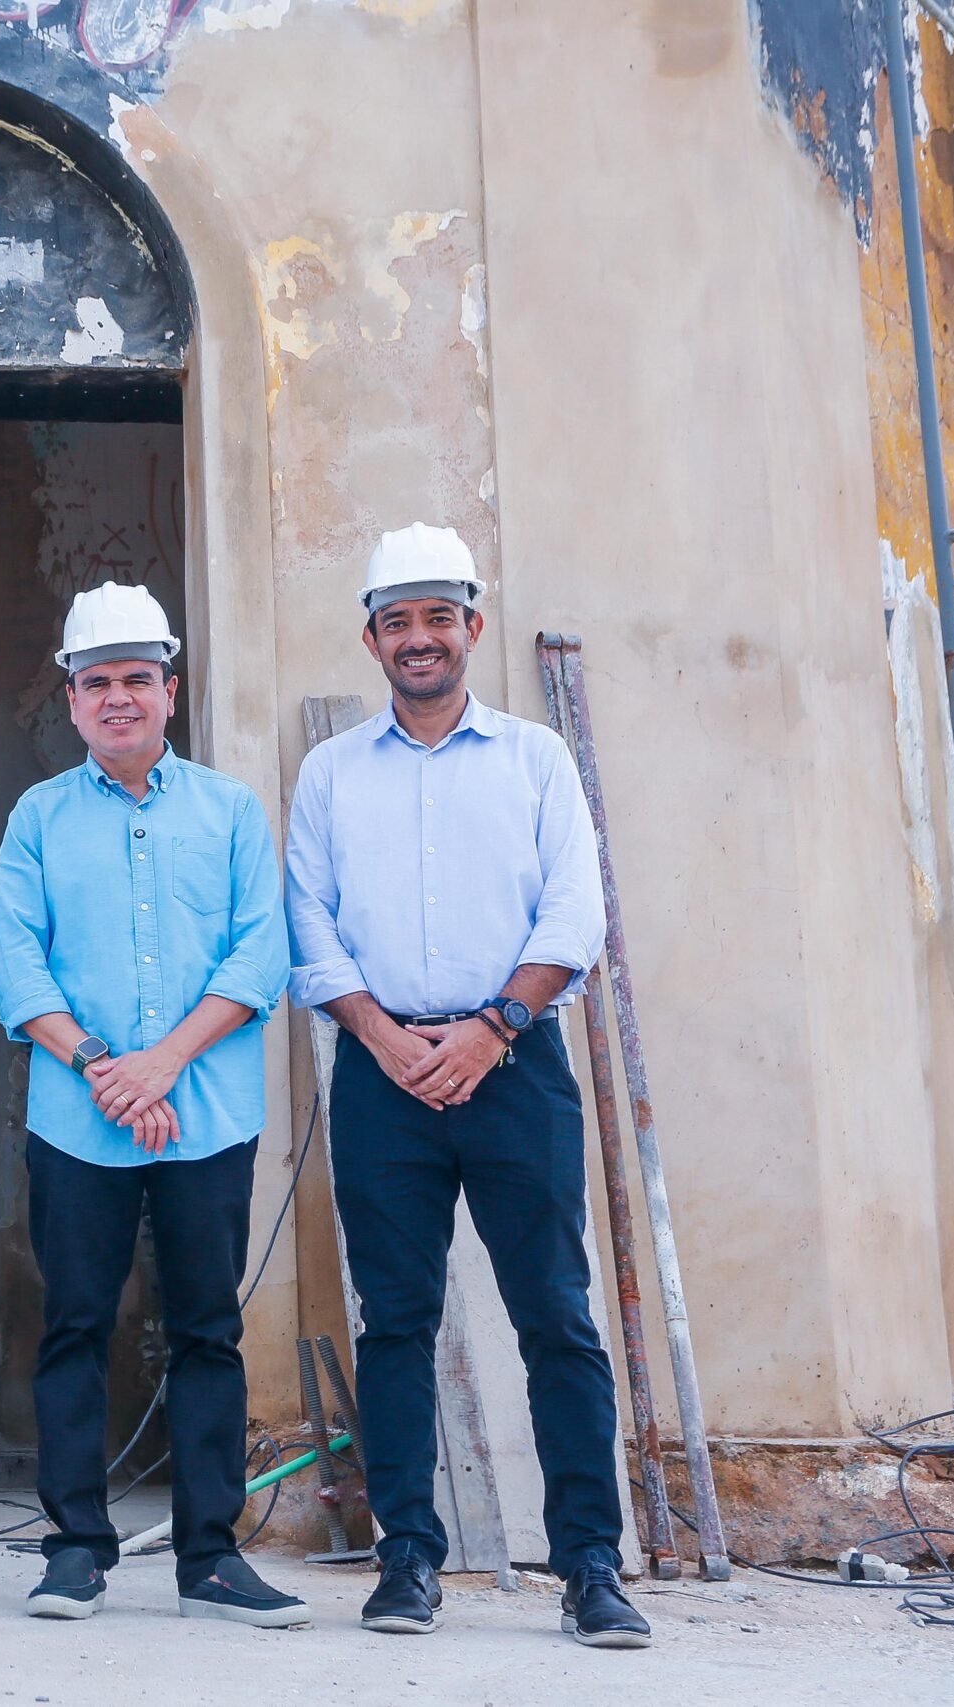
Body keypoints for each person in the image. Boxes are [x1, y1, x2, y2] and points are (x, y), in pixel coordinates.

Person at [284, 523, 651, 1648]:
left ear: (471, 629)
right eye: (397, 621)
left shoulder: (536, 760)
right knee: (394, 1321)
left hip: (515, 1065)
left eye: (438, 617)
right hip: (380, 1070)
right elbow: (310, 918)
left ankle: (590, 1565)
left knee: (555, 1314)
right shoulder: (330, 772)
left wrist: (492, 1029)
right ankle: (406, 1560)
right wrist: (382, 1037)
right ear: (372, 638)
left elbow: (573, 914)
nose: (419, 638)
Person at [0, 583, 305, 1627]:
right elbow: (13, 962)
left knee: (207, 1327)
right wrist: (104, 1071)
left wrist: (162, 1064)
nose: (116, 698)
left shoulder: (228, 811)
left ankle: (209, 1554)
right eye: (96, 683)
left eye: (135, 679)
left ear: (169, 691)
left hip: (204, 1114)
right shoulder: (39, 818)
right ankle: (75, 1546)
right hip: (79, 1120)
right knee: (74, 1325)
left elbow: (262, 952)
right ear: (70, 701)